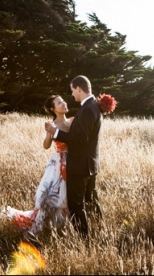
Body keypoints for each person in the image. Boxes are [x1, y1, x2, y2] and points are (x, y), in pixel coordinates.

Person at [0, 95, 71, 241]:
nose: (63, 103)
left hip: (73, 161)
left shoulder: (73, 121)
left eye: (63, 101)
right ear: (53, 109)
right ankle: (35, 231)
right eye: (59, 103)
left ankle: (60, 229)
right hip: (58, 163)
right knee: (49, 197)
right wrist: (49, 133)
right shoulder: (52, 124)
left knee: (67, 197)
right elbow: (46, 146)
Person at [45, 75, 103, 240]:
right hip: (90, 163)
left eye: (72, 91)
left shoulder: (88, 109)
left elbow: (80, 139)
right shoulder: (93, 106)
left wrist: (55, 133)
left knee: (76, 205)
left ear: (78, 88)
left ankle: (84, 240)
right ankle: (99, 228)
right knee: (90, 199)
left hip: (80, 165)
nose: (71, 95)